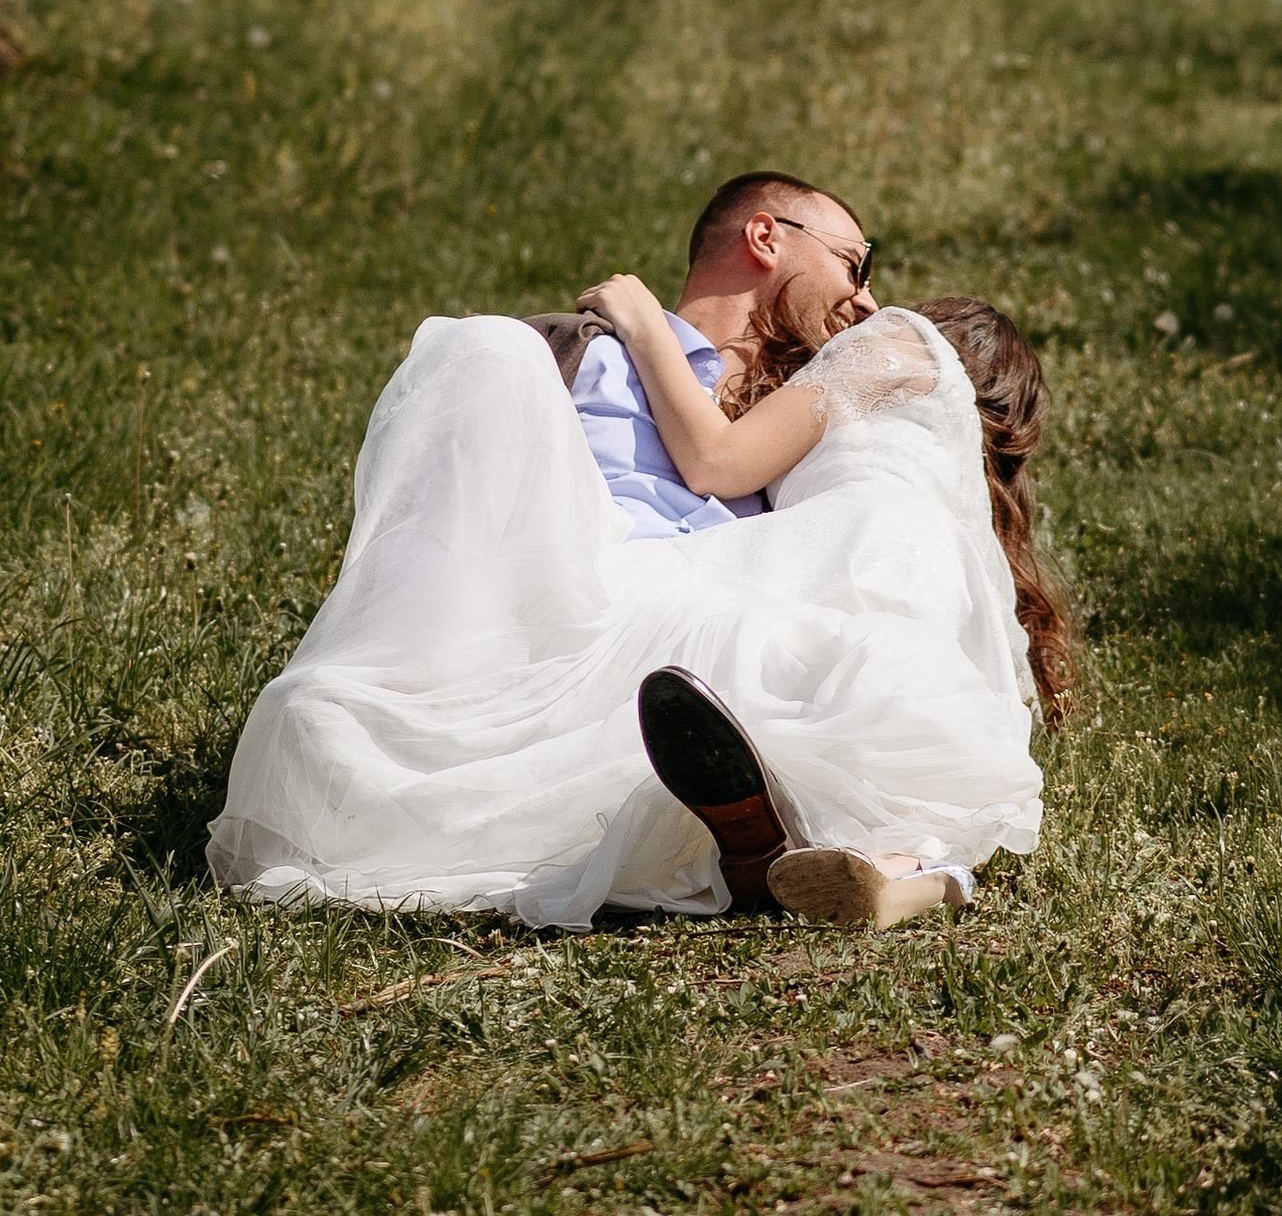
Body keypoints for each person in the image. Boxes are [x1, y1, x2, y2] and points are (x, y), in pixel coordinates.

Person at [206, 253, 1068, 934]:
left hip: (845, 546)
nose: (865, 296)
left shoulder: (895, 341)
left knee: (741, 651)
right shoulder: (959, 506)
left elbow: (720, 462)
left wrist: (646, 328)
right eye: (857, 266)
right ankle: (897, 876)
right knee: (855, 702)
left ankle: (756, 831)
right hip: (904, 571)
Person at [547, 170, 878, 539]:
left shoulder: (798, 448)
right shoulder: (583, 354)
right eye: (854, 267)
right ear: (765, 238)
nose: (869, 305)